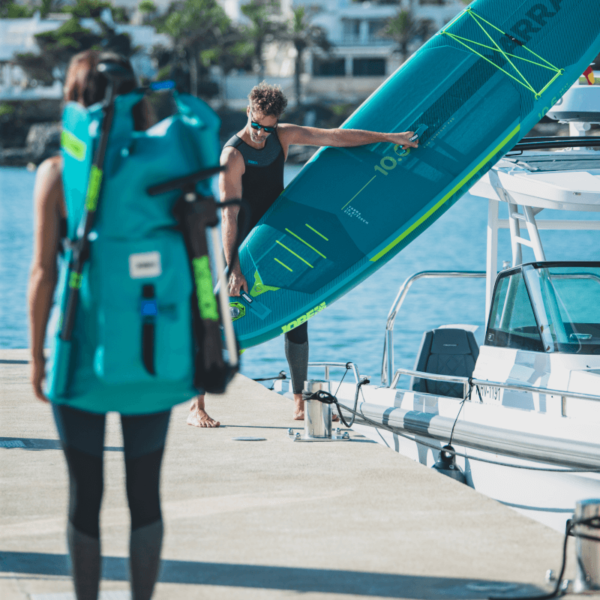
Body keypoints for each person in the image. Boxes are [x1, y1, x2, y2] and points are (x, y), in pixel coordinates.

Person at [187, 82, 419, 428]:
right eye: (258, 125)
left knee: (295, 315)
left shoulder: (282, 135)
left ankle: (298, 403)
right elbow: (228, 215)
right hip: (241, 246)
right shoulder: (232, 155)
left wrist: (388, 138)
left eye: (270, 126)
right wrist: (233, 266)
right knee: (219, 322)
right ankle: (197, 406)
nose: (263, 133)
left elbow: (336, 137)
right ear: (248, 111)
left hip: (277, 242)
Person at [29, 50, 166, 600]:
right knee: (145, 494)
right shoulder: (163, 168)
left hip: (80, 345)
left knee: (85, 493)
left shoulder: (59, 170)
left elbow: (42, 272)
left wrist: (38, 358)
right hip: (153, 342)